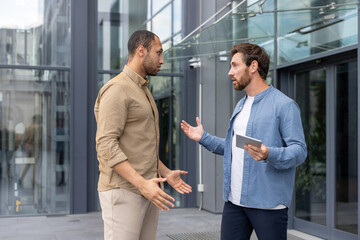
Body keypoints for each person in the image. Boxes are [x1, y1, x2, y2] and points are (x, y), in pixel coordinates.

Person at [181, 43, 307, 240]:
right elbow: (234, 147)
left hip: (268, 205)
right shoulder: (241, 105)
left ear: (253, 66)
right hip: (234, 203)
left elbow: (299, 151)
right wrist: (203, 138)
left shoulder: (284, 105)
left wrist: (269, 154)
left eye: (235, 65)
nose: (230, 72)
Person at [94, 30, 192, 240]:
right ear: (141, 51)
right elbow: (106, 145)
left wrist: (166, 173)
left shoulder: (143, 89)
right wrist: (142, 184)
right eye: (158, 53)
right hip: (124, 190)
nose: (162, 60)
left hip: (148, 188)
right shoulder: (117, 89)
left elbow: (140, 147)